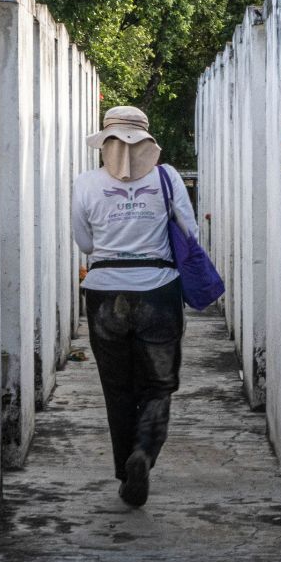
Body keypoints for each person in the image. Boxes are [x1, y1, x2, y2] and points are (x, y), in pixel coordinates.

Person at [72, 106, 198, 507]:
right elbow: (189, 231)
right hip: (157, 290)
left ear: (105, 142)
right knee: (158, 385)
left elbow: (85, 244)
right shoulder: (167, 177)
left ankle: (126, 471)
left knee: (118, 389)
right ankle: (143, 453)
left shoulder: (86, 183)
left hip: (105, 295)